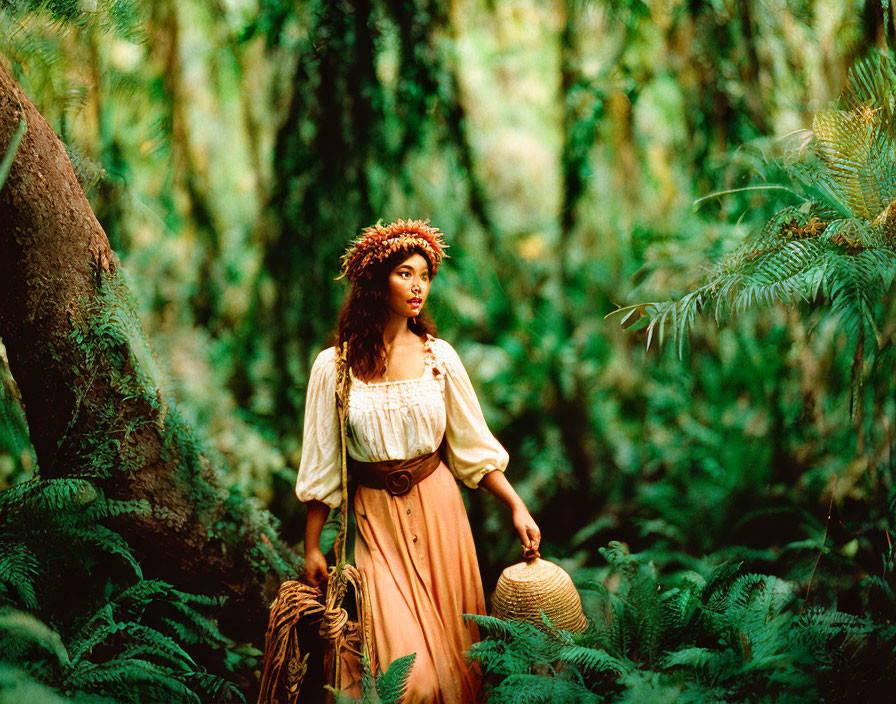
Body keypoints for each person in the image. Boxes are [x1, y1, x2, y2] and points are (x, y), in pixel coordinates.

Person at [295, 218, 540, 703]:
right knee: (410, 685)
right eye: (405, 273)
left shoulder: (439, 358)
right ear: (375, 282)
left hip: (441, 515)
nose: (418, 286)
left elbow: (473, 446)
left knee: (461, 673)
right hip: (374, 523)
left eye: (425, 276)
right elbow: (322, 463)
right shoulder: (335, 367)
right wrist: (312, 546)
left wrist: (516, 506)